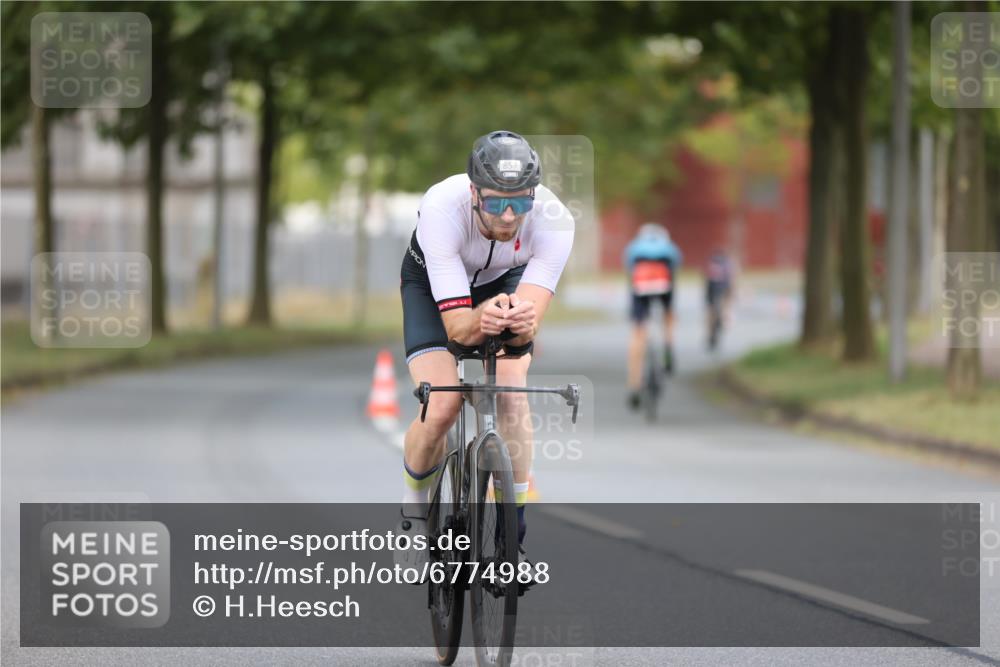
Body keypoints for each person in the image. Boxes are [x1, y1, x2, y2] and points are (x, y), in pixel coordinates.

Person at [396, 130, 574, 586]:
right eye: (496, 203)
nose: (510, 215)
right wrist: (482, 318)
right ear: (474, 193)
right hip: (432, 286)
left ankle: (513, 541)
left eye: (520, 202)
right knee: (442, 405)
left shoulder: (555, 220)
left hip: (505, 279)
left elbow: (527, 324)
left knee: (512, 396)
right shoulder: (441, 207)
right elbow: (457, 330)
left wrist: (517, 323)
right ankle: (415, 521)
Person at [623, 223, 682, 410]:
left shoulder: (636, 246)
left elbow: (629, 267)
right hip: (665, 276)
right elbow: (676, 263)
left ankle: (634, 385)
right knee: (668, 313)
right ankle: (668, 347)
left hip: (640, 279)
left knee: (638, 331)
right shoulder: (667, 245)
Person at [704, 248, 734, 349]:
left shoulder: (711, 262)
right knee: (723, 307)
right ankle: (721, 319)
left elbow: (706, 277)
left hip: (711, 288)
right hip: (723, 287)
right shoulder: (727, 263)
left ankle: (711, 333)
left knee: (711, 311)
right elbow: (730, 279)